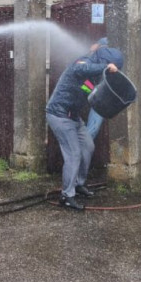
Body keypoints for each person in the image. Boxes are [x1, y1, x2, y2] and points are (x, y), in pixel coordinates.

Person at [46, 42, 124, 211]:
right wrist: (106, 66)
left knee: (87, 146)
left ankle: (78, 184)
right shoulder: (82, 63)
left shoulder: (94, 77)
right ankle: (67, 196)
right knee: (73, 154)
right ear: (104, 62)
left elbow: (88, 90)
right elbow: (79, 70)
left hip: (74, 117)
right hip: (59, 115)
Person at [85, 38, 109, 140]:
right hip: (95, 92)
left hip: (102, 95)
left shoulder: (104, 56)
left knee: (91, 130)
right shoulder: (90, 59)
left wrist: (99, 44)